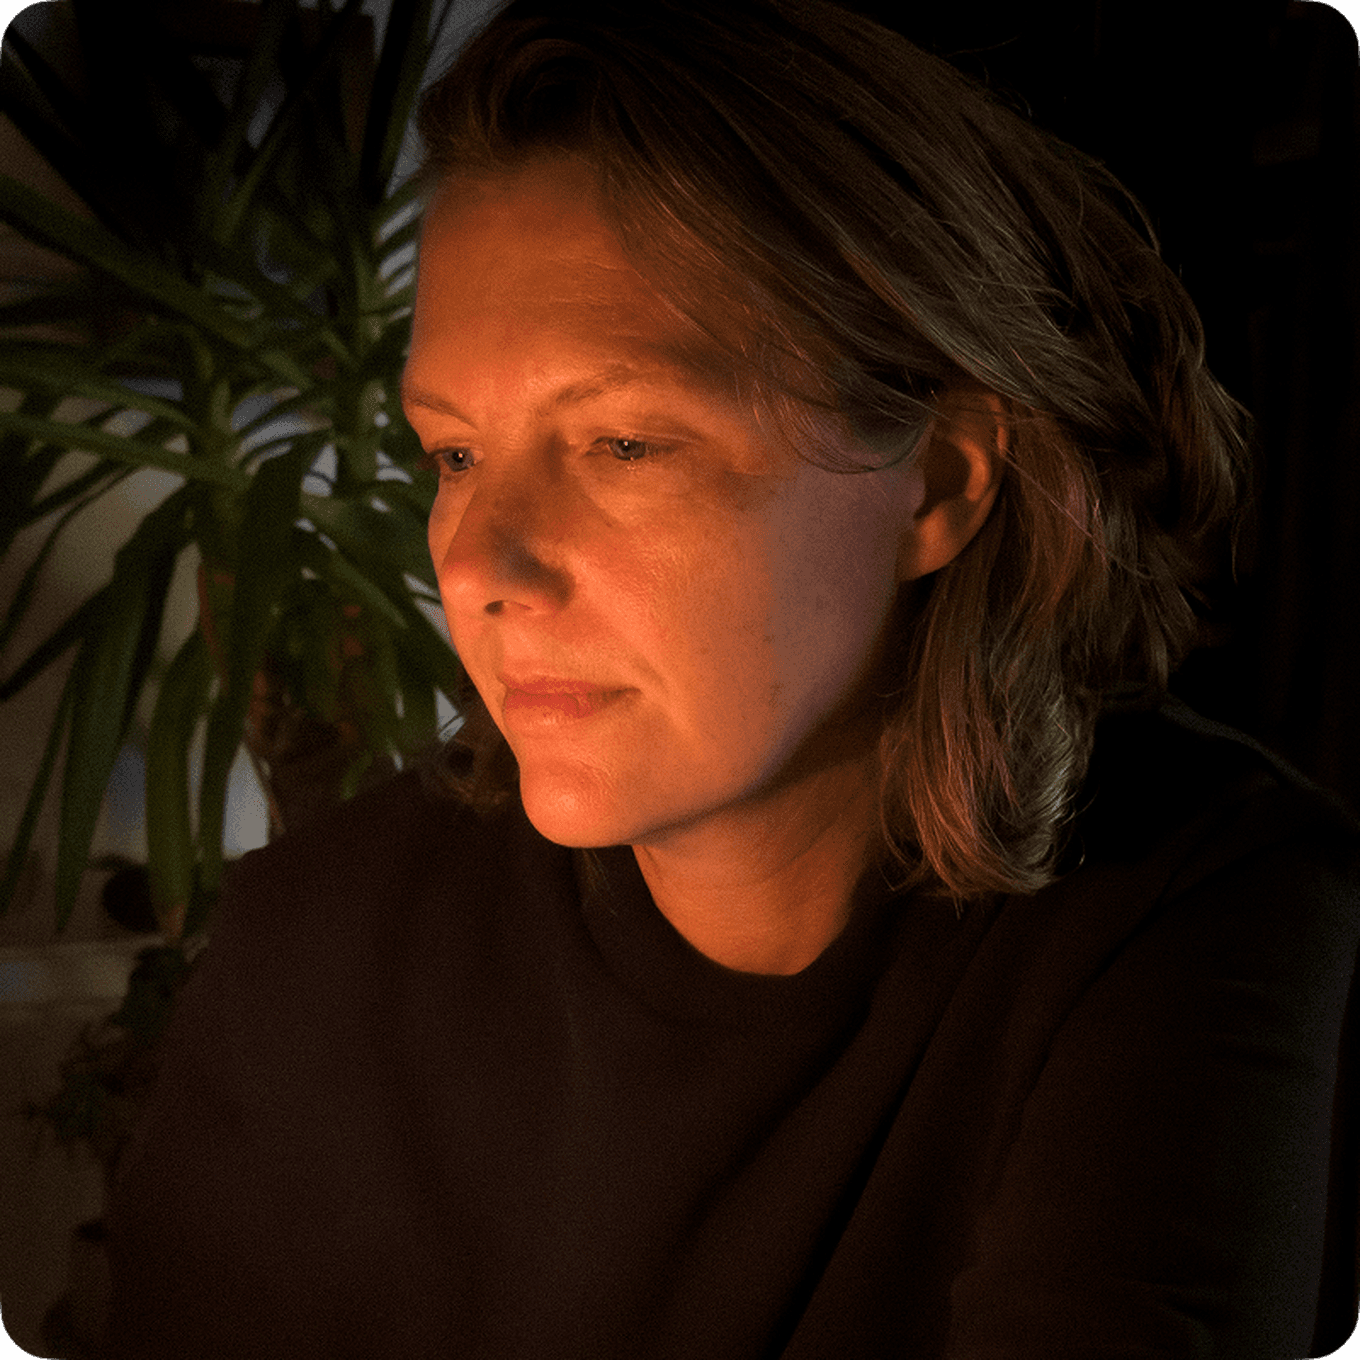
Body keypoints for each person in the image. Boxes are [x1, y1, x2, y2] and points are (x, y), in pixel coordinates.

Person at [104, 1, 1360, 1356]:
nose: (481, 563)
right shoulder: (319, 943)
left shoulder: (1197, 908)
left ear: (939, 480)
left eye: (625, 444)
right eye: (456, 455)